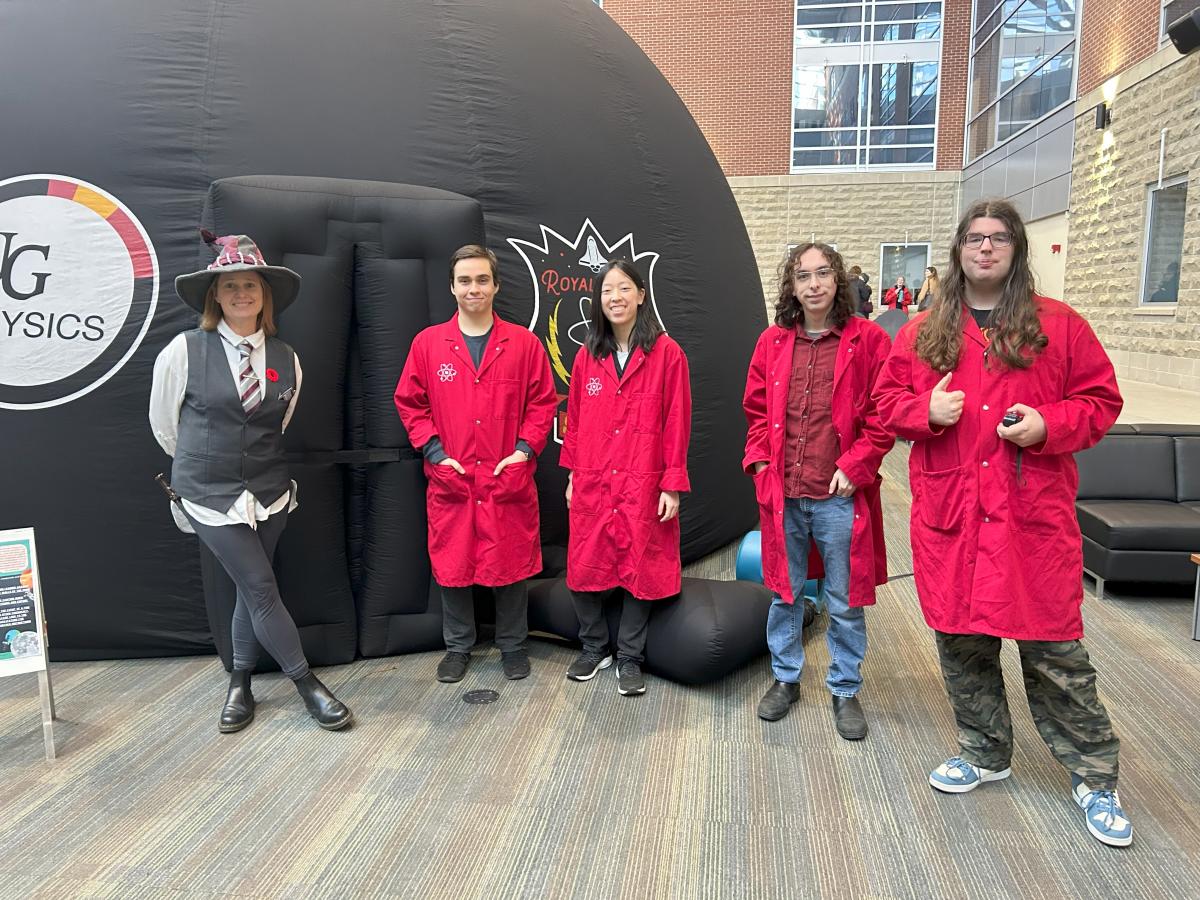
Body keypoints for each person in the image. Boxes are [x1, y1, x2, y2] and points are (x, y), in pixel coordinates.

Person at [873, 198, 1131, 847]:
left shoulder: (1060, 327)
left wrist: (1051, 424)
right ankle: (985, 751)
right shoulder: (921, 332)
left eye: (998, 239)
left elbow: (1101, 401)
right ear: (959, 251)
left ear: (1015, 251)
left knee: (1055, 653)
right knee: (962, 645)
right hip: (952, 518)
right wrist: (923, 410)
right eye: (974, 238)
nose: (985, 248)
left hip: (1029, 521)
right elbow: (884, 404)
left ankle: (1096, 777)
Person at [150, 232, 353, 733]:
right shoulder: (184, 350)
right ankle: (307, 684)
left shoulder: (287, 358)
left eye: (251, 285)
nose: (242, 293)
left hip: (269, 494)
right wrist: (208, 462)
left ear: (264, 297)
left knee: (249, 590)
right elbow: (165, 427)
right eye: (231, 285)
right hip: (208, 494)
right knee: (262, 586)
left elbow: (275, 425)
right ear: (215, 295)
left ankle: (240, 682)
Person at [742, 243, 894, 738]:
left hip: (839, 495)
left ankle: (845, 687)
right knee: (784, 594)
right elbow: (757, 411)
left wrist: (857, 464)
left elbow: (882, 415)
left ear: (838, 280)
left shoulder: (867, 340)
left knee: (844, 599)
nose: (813, 284)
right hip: (784, 491)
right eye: (803, 275)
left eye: (822, 273)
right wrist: (762, 460)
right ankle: (786, 679)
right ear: (791, 285)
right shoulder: (772, 342)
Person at [394, 245, 557, 684]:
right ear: (452, 286)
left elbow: (543, 404)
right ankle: (458, 646)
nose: (474, 288)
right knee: (454, 565)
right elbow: (410, 403)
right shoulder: (428, 344)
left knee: (510, 565)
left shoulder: (524, 344)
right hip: (455, 476)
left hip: (507, 474)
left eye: (482, 280)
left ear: (496, 285)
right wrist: (435, 453)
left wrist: (524, 451)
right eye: (465, 281)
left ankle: (513, 644)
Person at [560, 260, 692, 696]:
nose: (614, 297)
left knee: (643, 563)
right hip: (595, 477)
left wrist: (671, 482)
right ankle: (594, 645)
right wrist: (574, 475)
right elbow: (574, 420)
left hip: (643, 478)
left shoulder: (667, 354)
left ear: (640, 294)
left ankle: (629, 656)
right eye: (606, 291)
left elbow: (677, 421)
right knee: (583, 562)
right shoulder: (587, 354)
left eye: (623, 289)